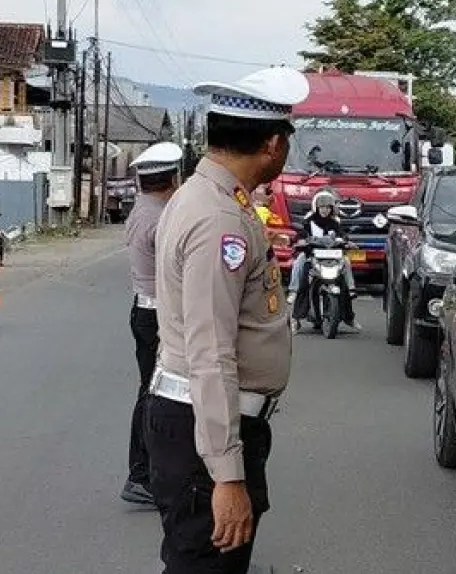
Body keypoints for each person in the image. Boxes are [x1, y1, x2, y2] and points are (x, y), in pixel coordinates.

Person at [146, 66, 308, 574]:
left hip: (200, 422)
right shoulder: (220, 219)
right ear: (274, 144)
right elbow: (210, 350)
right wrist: (226, 474)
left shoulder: (203, 198)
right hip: (206, 430)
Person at [120, 141, 184, 506]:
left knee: (152, 390)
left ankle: (147, 472)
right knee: (154, 394)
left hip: (145, 309)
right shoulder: (161, 220)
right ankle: (141, 474)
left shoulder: (143, 209)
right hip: (158, 314)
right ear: (171, 179)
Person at [285, 190, 360, 333]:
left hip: (333, 257)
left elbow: (342, 235)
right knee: (300, 269)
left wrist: (348, 242)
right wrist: (300, 241)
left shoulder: (336, 221)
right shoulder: (309, 220)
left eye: (327, 207)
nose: (325, 210)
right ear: (316, 207)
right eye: (322, 207)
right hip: (312, 255)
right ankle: (295, 309)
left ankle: (350, 305)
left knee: (346, 263)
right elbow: (301, 233)